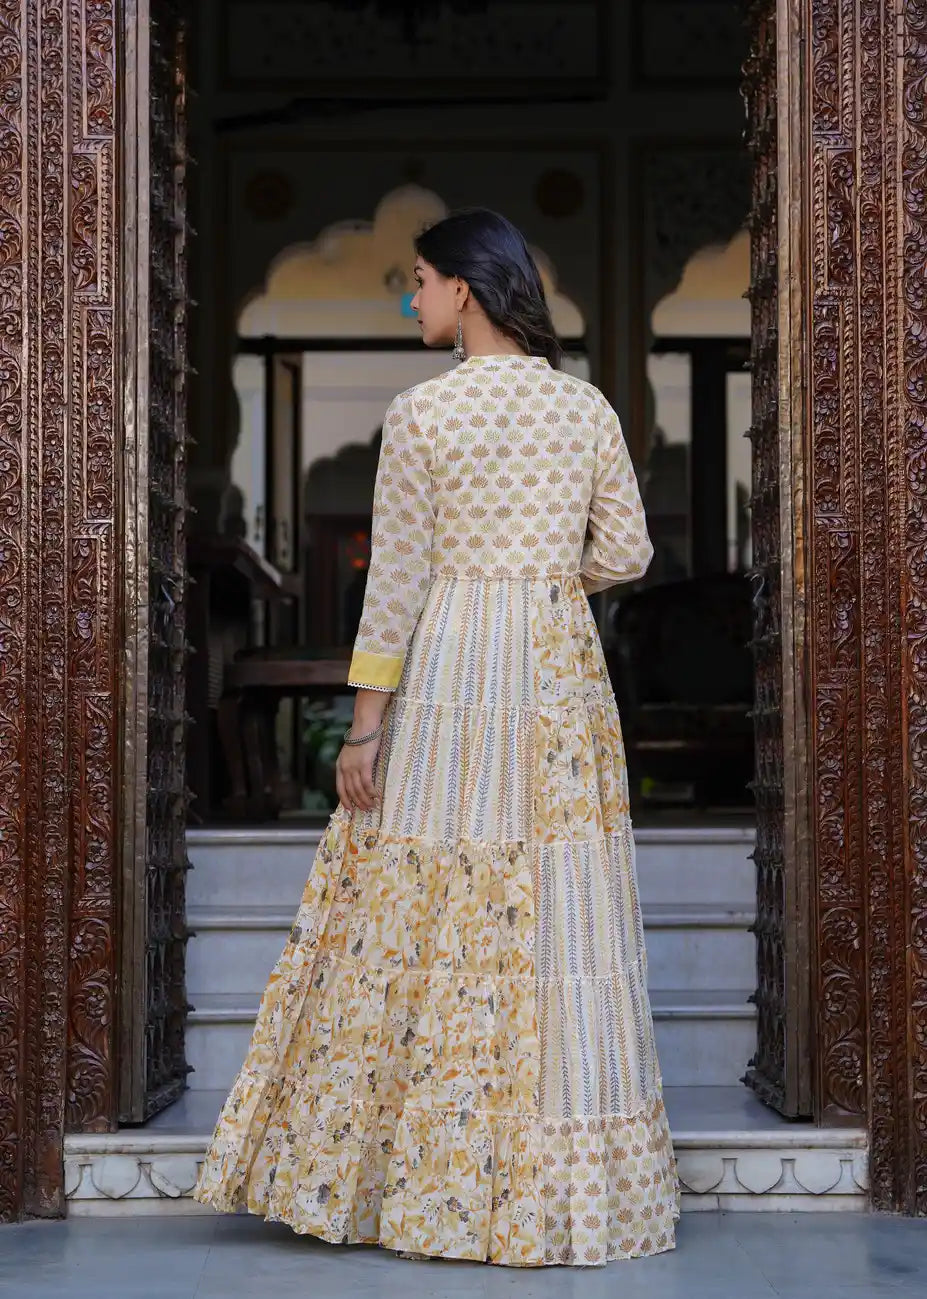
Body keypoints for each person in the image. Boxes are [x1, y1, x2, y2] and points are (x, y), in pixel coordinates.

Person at [193, 208, 680, 1266]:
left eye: (418, 281)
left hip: (455, 660)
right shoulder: (585, 407)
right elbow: (630, 551)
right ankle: (564, 1192)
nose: (411, 301)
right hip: (554, 667)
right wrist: (548, 584)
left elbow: (398, 588)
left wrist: (363, 731)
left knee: (434, 899)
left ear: (466, 288)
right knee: (559, 907)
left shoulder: (423, 416)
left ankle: (429, 1185)